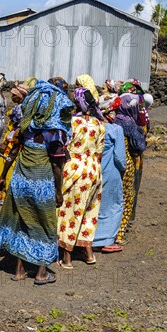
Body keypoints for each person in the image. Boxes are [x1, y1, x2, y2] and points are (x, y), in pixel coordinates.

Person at [0, 80, 74, 285]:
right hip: (42, 184)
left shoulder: (26, 129)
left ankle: (19, 270)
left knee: (24, 221)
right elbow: (57, 166)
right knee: (45, 223)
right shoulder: (54, 134)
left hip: (20, 181)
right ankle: (41, 273)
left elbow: (13, 152)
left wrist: (3, 175)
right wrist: (58, 192)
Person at [57, 88, 105, 268]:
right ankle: (89, 253)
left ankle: (67, 257)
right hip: (94, 170)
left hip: (75, 170)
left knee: (70, 212)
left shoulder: (72, 123)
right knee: (89, 212)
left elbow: (64, 148)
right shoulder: (99, 124)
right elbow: (100, 151)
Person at [93, 96, 127, 253]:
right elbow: (120, 158)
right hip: (111, 171)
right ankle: (106, 240)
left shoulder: (91, 126)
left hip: (92, 170)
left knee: (93, 204)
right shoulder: (116, 130)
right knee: (113, 205)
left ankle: (89, 238)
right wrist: (123, 170)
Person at [114, 93, 146, 245]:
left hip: (112, 165)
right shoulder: (130, 125)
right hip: (127, 164)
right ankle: (120, 234)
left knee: (113, 198)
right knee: (127, 198)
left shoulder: (115, 120)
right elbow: (140, 146)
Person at [0, 82, 29, 201]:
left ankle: (1, 191)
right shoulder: (26, 108)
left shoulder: (19, 109)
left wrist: (6, 141)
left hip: (13, 142)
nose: (12, 97)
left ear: (20, 96)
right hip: (17, 142)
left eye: (14, 95)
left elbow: (15, 129)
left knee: (6, 166)